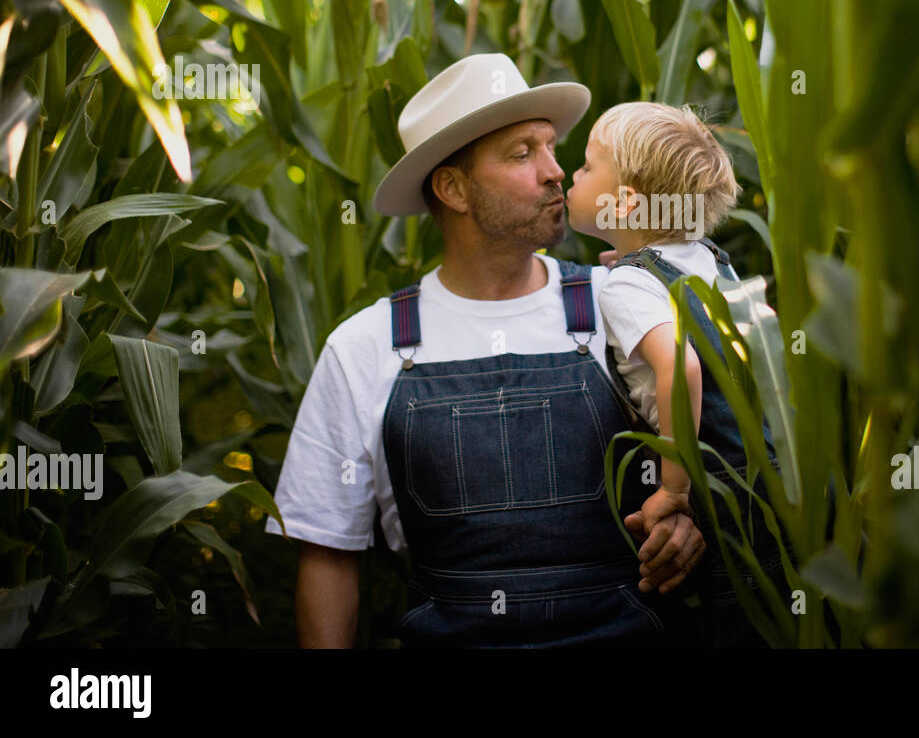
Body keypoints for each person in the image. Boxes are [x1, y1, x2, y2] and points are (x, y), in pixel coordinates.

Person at [265, 54, 705, 647]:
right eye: (522, 153)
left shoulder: (622, 305)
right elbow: (328, 555)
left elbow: (723, 451)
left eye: (551, 147)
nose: (556, 171)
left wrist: (689, 519)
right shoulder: (364, 347)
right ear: (452, 188)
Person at [565, 101, 789, 648]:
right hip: (775, 487)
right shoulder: (710, 260)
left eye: (589, 167)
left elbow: (681, 366)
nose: (572, 174)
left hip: (725, 507)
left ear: (626, 204)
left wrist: (673, 488)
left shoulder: (628, 287)